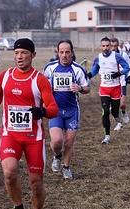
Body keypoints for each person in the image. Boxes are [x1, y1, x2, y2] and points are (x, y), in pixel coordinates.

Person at [0, 38, 59, 209]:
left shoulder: (40, 79)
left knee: (36, 184)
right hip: (10, 135)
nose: (20, 57)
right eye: (17, 53)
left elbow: (53, 108)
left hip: (33, 139)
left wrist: (42, 112)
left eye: (24, 53)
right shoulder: (5, 75)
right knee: (9, 173)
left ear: (33, 55)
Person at [43, 39, 90, 179]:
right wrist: (46, 89)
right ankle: (57, 156)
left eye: (67, 52)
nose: (64, 55)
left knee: (68, 142)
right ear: (57, 53)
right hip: (55, 110)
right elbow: (40, 85)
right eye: (61, 52)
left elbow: (88, 87)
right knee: (57, 141)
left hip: (72, 111)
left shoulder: (78, 69)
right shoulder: (49, 68)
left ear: (72, 53)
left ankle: (66, 167)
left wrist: (80, 88)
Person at [87, 36, 130, 144]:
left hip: (116, 88)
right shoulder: (98, 58)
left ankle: (117, 118)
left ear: (110, 46)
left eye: (107, 46)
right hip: (104, 89)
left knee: (115, 111)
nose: (105, 48)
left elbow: (127, 68)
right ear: (101, 46)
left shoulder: (117, 56)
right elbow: (94, 71)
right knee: (105, 112)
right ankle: (107, 136)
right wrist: (87, 76)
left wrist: (119, 73)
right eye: (103, 46)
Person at [111, 38, 130, 131]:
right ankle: (119, 123)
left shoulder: (123, 54)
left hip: (122, 82)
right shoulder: (107, 56)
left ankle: (124, 112)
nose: (113, 48)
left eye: (115, 46)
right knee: (114, 107)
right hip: (111, 84)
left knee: (122, 104)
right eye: (111, 46)